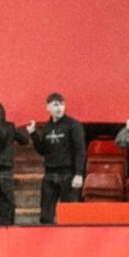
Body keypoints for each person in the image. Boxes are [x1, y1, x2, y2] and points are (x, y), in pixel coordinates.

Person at [23, 93, 88, 225]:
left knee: (69, 215)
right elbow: (42, 150)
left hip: (68, 174)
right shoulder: (47, 128)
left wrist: (79, 174)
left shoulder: (73, 125)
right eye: (56, 105)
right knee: (46, 215)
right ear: (48, 107)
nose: (60, 108)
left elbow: (80, 150)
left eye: (62, 104)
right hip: (50, 174)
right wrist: (33, 133)